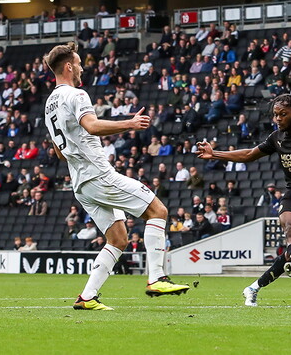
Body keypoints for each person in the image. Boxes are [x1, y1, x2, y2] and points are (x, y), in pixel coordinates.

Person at [42, 42, 189, 311]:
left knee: (118, 238)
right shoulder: (77, 95)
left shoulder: (49, 105)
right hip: (98, 175)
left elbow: (60, 155)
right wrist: (130, 123)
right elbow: (92, 125)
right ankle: (157, 277)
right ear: (68, 66)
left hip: (80, 182)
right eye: (79, 62)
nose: (82, 67)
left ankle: (87, 297)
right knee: (158, 210)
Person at [197, 94, 291, 307]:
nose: (278, 118)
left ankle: (254, 287)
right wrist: (215, 154)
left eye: (282, 114)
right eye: (275, 114)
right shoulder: (277, 138)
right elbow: (249, 154)